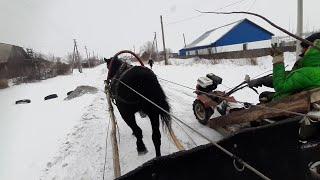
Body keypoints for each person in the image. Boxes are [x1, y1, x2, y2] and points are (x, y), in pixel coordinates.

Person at [249, 32, 320, 101]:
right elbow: (294, 87)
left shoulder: (308, 73)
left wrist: (278, 60)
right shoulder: (313, 70)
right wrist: (264, 81)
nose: (301, 50)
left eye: (304, 47)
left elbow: (281, 87)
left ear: (312, 50)